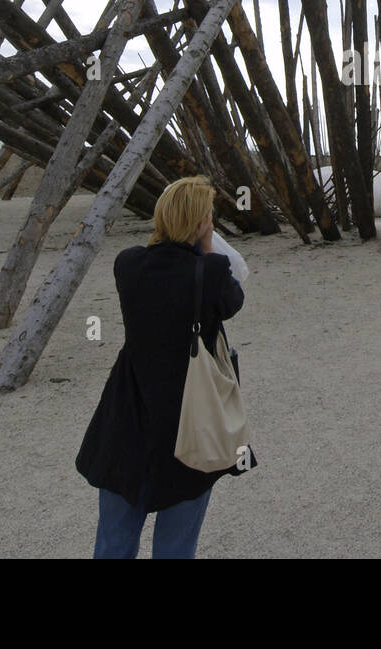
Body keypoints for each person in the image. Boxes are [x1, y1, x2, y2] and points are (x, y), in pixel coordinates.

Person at [76, 175, 254, 558]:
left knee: (113, 541)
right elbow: (234, 298)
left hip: (128, 415)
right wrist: (207, 245)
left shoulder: (128, 265)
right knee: (175, 546)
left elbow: (157, 262)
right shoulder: (211, 273)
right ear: (201, 222)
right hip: (190, 421)